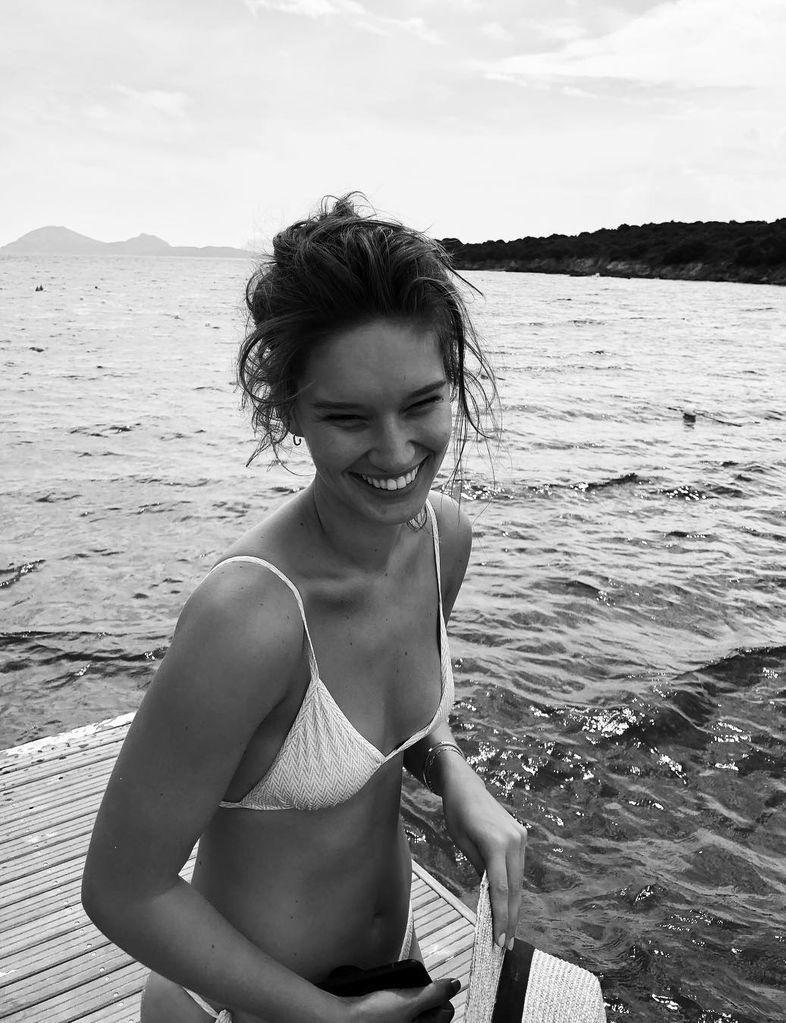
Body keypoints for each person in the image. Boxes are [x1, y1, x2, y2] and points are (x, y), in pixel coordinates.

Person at [82, 194, 527, 1023]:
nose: (395, 453)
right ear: (287, 409)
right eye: (347, 417)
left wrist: (454, 775)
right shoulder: (250, 617)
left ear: (454, 383)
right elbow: (120, 886)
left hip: (387, 982)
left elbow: (401, 729)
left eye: (422, 403)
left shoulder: (441, 541)